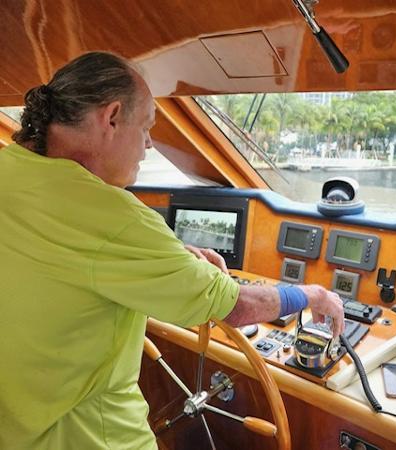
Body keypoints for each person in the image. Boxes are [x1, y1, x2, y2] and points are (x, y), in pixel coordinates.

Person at [0, 52, 344, 450]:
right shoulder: (115, 218)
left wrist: (170, 256)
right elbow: (237, 307)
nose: (148, 144)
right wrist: (312, 295)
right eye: (146, 127)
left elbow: (69, 251)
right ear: (112, 117)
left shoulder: (11, 167)